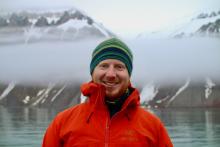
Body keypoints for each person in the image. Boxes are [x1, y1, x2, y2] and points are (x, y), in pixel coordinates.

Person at [42, 37, 173, 147]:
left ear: (129, 75)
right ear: (92, 72)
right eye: (104, 66)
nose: (111, 74)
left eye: (119, 67)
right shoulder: (61, 123)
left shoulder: (153, 127)